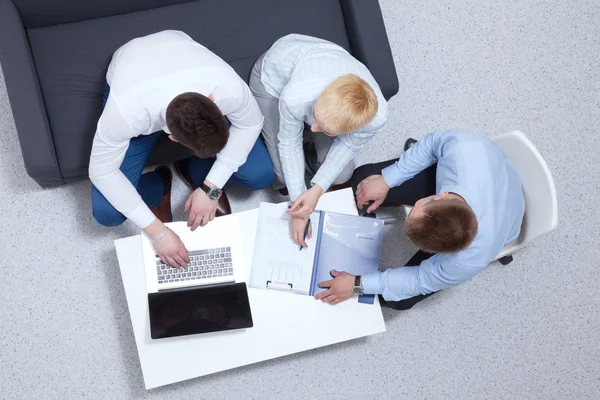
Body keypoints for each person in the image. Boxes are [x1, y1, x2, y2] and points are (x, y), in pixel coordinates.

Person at [89, 30, 275, 268]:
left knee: (260, 175)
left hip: (176, 47)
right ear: (173, 138)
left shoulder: (226, 86)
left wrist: (211, 188)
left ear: (213, 101)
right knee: (107, 213)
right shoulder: (126, 112)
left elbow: (251, 123)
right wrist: (157, 232)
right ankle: (160, 184)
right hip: (133, 68)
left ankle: (196, 171)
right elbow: (101, 172)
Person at [314, 129, 525, 309]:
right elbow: (433, 143)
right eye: (416, 208)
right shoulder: (463, 150)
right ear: (441, 195)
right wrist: (388, 179)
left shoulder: (467, 261)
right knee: (363, 180)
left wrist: (357, 284)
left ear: (444, 252)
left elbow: (418, 280)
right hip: (490, 175)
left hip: (505, 217)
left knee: (399, 301)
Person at [249, 34, 388, 246]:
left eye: (325, 130)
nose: (313, 129)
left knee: (341, 175)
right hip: (272, 82)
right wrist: (298, 208)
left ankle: (314, 150)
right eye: (314, 116)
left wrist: (318, 189)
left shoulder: (376, 118)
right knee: (283, 176)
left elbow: (348, 145)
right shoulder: (296, 96)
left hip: (319, 74)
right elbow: (289, 143)